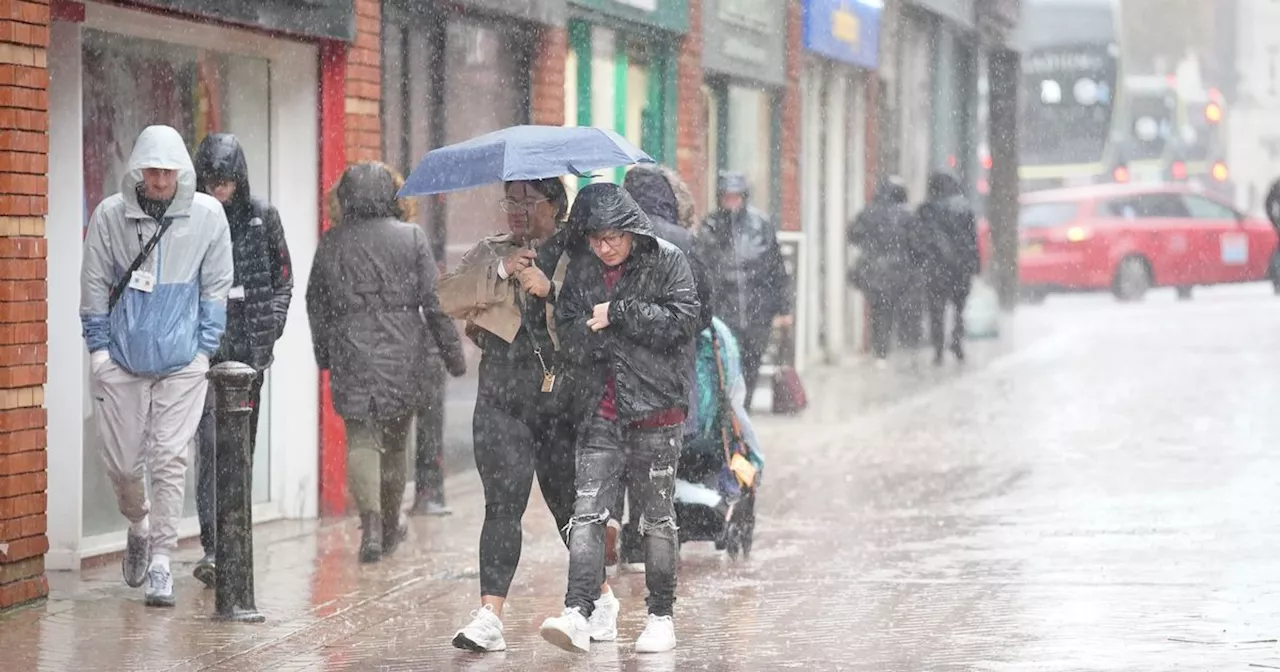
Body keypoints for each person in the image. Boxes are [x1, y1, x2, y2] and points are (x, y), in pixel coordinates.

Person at [440, 177, 616, 653]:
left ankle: (601, 598)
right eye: (509, 201)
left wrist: (550, 289)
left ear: (555, 205)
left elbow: (598, 315)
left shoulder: (579, 253)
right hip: (500, 396)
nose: (515, 210)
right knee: (502, 504)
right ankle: (489, 616)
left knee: (565, 505)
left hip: (559, 397)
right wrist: (499, 270)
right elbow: (448, 298)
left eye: (527, 201)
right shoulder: (491, 250)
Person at [540, 183, 700, 655]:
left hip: (656, 411)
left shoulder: (666, 259)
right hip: (600, 411)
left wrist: (620, 313)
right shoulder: (584, 269)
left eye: (613, 238)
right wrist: (600, 335)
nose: (604, 247)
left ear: (631, 231)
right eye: (595, 239)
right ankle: (578, 611)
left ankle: (660, 615)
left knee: (655, 520)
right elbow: (569, 332)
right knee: (586, 513)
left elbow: (683, 322)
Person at [80, 125, 234, 607]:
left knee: (170, 458)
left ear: (181, 172)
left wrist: (204, 350)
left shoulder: (207, 216)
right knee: (123, 461)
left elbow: (216, 286)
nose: (161, 180)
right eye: (153, 170)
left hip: (182, 362)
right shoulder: (110, 216)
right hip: (122, 359)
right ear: (138, 170)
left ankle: (163, 561)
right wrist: (99, 351)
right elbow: (93, 283)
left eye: (169, 171)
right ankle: (139, 525)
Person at [306, 162, 466, 563]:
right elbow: (434, 303)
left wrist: (324, 351)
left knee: (361, 436)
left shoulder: (332, 242)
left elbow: (316, 303)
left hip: (350, 348)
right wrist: (452, 355)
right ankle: (391, 524)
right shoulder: (411, 238)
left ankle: (371, 525)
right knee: (395, 443)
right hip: (404, 351)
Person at [190, 133, 293, 588]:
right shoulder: (189, 220)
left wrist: (267, 330)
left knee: (241, 452)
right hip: (203, 353)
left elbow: (283, 279)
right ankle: (214, 546)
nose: (219, 190)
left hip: (250, 354)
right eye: (212, 182)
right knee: (210, 448)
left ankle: (235, 539)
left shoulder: (262, 218)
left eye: (227, 182)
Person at [613, 163, 712, 571]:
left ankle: (614, 529)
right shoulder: (686, 242)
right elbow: (704, 308)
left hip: (617, 368)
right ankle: (646, 540)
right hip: (669, 369)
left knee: (616, 453)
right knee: (656, 460)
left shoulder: (610, 237)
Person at [698, 171, 791, 411]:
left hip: (758, 308)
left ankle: (744, 411)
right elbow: (704, 269)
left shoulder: (761, 225)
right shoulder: (710, 226)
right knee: (727, 364)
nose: (731, 203)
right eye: (727, 197)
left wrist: (784, 307)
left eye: (736, 197)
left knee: (752, 363)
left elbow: (776, 268)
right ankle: (730, 415)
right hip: (724, 310)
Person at [849, 178, 916, 365]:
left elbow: (854, 234)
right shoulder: (906, 215)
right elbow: (915, 243)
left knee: (877, 305)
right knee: (889, 307)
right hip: (897, 270)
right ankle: (883, 346)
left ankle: (879, 345)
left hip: (872, 268)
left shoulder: (868, 212)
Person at [917, 172, 980, 365]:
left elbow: (919, 239)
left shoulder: (926, 209)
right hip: (960, 267)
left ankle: (938, 349)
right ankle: (957, 340)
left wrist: (919, 262)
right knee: (959, 307)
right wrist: (975, 264)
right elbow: (972, 239)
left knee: (936, 309)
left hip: (936, 267)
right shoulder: (964, 207)